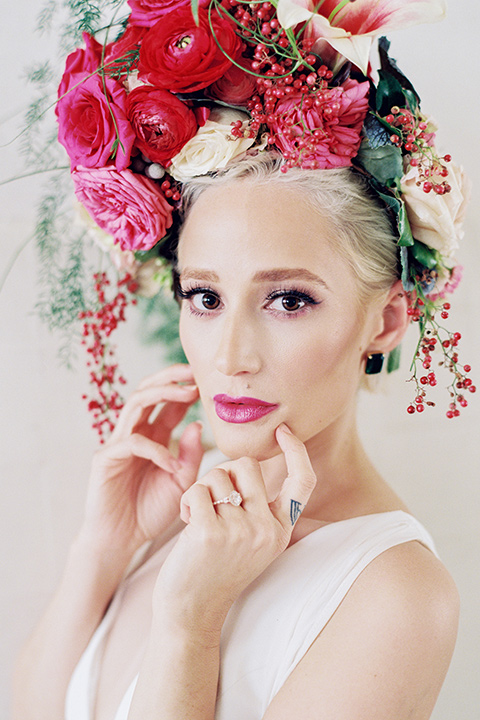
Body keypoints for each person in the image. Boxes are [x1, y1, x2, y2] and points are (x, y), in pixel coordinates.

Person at [11, 0, 468, 716]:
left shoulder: (396, 594)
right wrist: (102, 551)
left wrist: (190, 627)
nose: (229, 356)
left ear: (382, 320)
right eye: (205, 297)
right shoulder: (194, 522)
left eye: (288, 300)